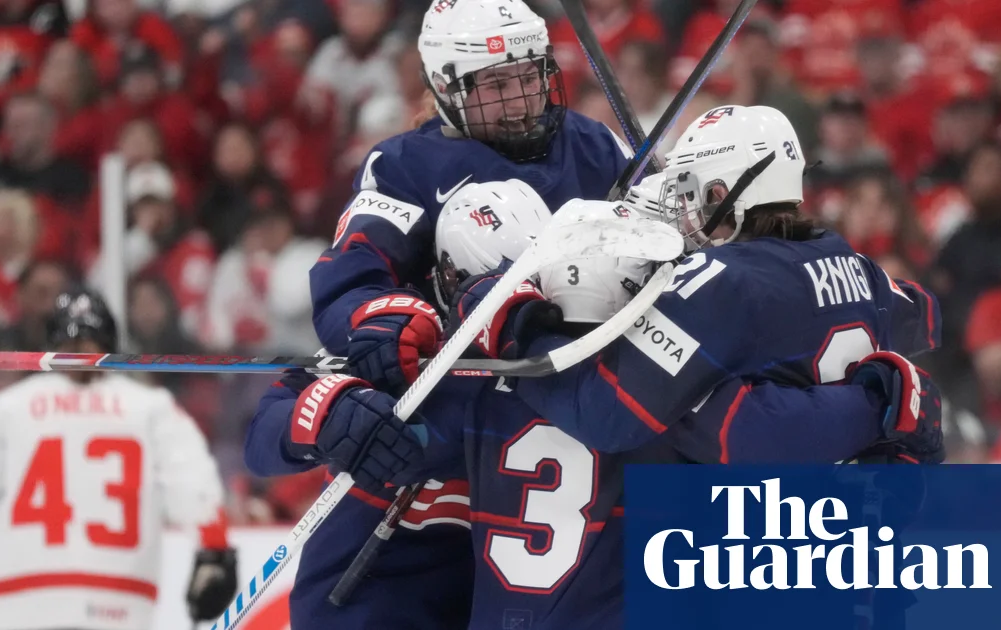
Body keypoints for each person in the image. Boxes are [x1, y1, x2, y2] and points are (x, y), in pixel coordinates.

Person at [248, 180, 942, 628]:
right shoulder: (652, 379)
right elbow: (752, 431)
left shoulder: (441, 372)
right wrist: (877, 401)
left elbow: (274, 422)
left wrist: (326, 411)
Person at [447, 105, 943, 469]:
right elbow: (924, 314)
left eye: (687, 190)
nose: (678, 208)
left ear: (720, 194)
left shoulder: (720, 284)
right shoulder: (858, 265)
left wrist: (513, 323)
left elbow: (605, 413)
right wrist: (880, 400)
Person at [310, 0, 634, 398]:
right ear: (446, 88)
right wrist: (380, 319)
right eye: (497, 85)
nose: (521, 102)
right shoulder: (403, 165)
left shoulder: (593, 143)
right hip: (472, 398)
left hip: (603, 379)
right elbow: (352, 276)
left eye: (531, 77)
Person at [0, 288, 237, 630]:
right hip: (120, 605)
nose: (79, 351)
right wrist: (213, 555)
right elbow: (194, 488)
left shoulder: (7, 408)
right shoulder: (149, 407)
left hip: (23, 603)